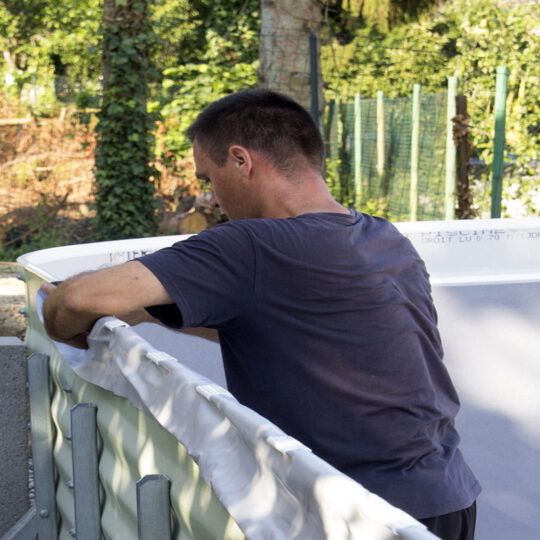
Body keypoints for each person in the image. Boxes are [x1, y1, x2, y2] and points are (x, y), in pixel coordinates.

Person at [42, 88, 480, 539]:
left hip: (356, 517)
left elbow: (76, 301)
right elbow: (297, 330)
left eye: (208, 179)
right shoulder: (383, 238)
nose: (210, 200)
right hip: (445, 500)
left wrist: (57, 319)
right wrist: (152, 315)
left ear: (241, 160)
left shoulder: (250, 245)